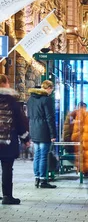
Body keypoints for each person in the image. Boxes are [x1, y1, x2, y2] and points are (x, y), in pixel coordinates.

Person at [0, 75, 31, 205]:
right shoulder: (11, 100)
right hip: (7, 141)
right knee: (7, 168)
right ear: (6, 83)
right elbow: (19, 121)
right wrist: (25, 138)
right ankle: (7, 196)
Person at [27, 80, 57, 189]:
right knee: (43, 155)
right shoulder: (47, 100)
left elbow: (28, 116)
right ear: (48, 88)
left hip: (34, 129)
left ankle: (37, 178)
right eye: (52, 89)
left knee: (37, 155)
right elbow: (50, 118)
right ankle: (43, 180)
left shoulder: (31, 99)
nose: (52, 91)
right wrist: (53, 134)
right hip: (44, 130)